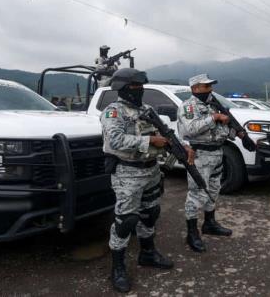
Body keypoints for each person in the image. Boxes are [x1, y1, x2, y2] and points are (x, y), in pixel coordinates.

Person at [100, 68, 177, 293]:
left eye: (141, 86)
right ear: (123, 88)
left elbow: (165, 133)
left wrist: (177, 146)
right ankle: (118, 267)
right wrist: (150, 140)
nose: (139, 90)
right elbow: (114, 141)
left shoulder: (147, 110)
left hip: (151, 170)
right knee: (126, 221)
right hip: (127, 173)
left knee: (150, 214)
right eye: (135, 86)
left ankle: (148, 253)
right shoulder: (113, 112)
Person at [177, 74, 241, 252]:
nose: (210, 89)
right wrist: (214, 118)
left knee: (214, 189)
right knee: (196, 193)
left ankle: (209, 222)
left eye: (210, 86)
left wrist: (236, 133)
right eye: (206, 87)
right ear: (195, 88)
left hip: (217, 152)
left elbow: (223, 129)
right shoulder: (188, 106)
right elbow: (190, 129)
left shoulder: (213, 105)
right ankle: (191, 232)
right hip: (199, 155)